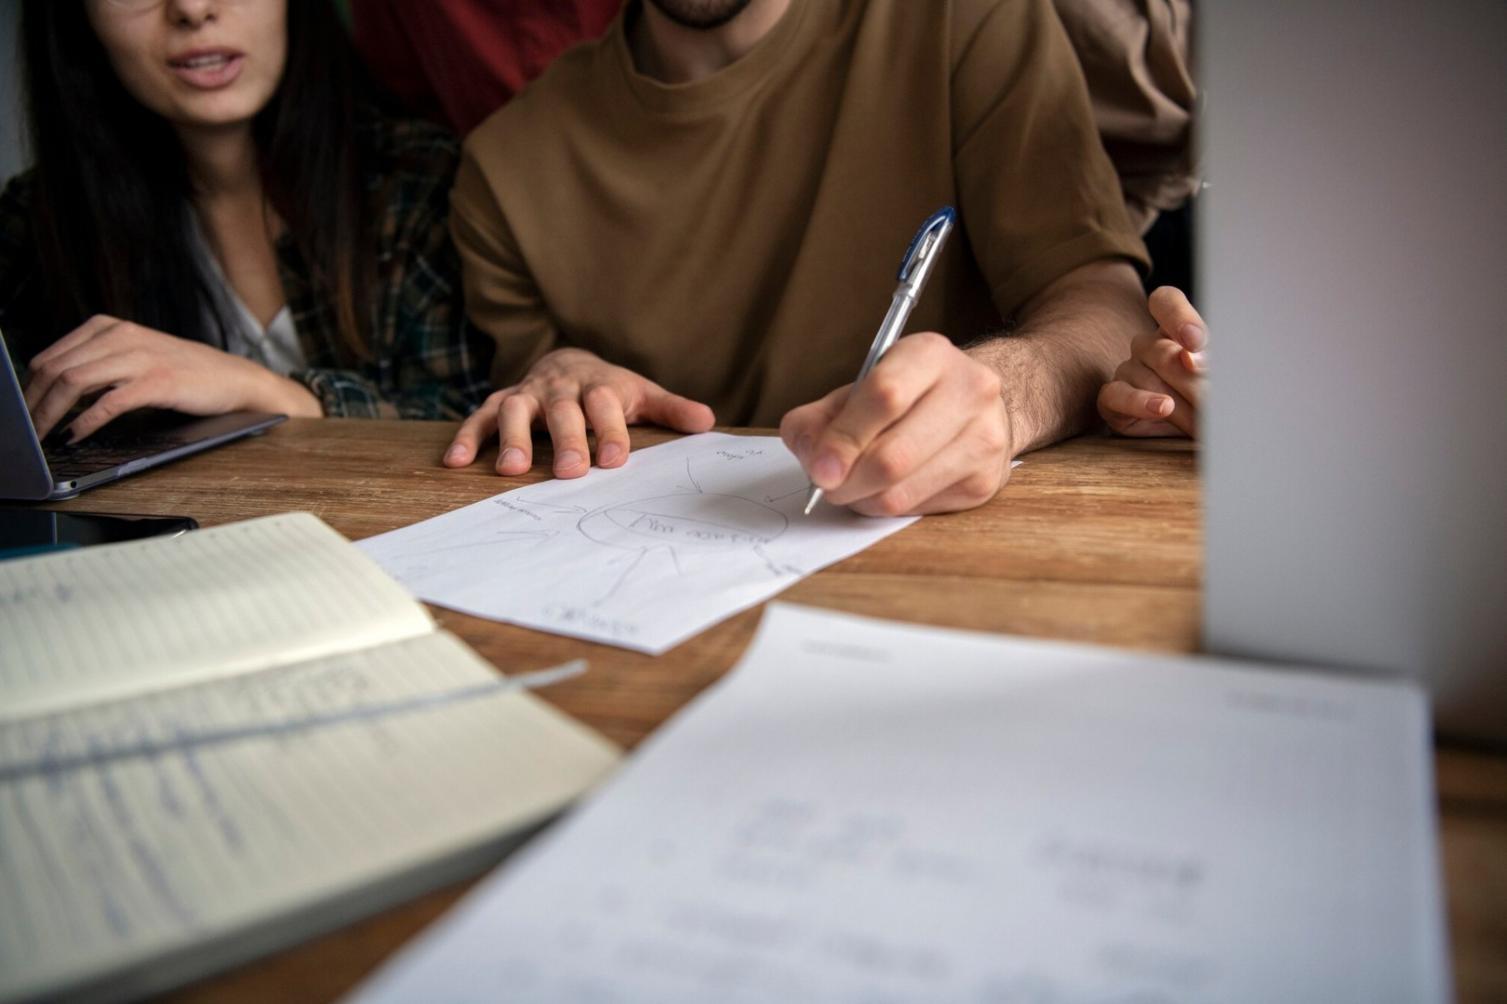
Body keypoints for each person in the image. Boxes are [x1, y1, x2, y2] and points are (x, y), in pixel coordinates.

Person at [443, 0, 1181, 516]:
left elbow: (1107, 311)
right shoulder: (503, 170)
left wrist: (1005, 397)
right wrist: (563, 378)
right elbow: (542, 424)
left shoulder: (966, 17)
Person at [1, 0, 492, 445]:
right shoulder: (38, 220)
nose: (193, 9)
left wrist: (254, 388)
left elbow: (471, 418)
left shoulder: (416, 177)